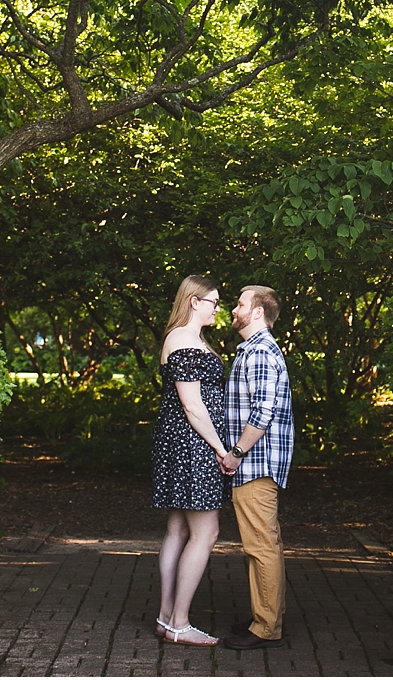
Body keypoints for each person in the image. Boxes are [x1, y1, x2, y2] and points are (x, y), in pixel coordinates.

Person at [150, 274, 231, 646]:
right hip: (192, 444)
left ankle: (167, 619)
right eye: (213, 302)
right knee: (206, 531)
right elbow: (192, 405)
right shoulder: (183, 340)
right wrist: (220, 448)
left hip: (183, 444)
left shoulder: (190, 339)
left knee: (178, 531)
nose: (218, 308)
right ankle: (180, 623)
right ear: (194, 301)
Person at [218, 285, 294, 651]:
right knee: (266, 543)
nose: (234, 309)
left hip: (255, 463)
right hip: (259, 462)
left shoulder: (260, 352)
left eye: (240, 304)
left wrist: (235, 453)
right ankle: (267, 617)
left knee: (260, 545)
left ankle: (265, 628)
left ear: (259, 312)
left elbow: (262, 411)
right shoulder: (254, 350)